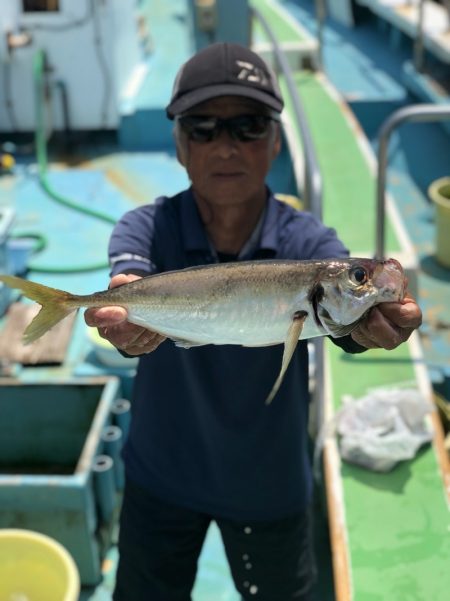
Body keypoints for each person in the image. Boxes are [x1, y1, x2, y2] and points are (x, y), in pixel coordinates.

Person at [85, 42, 422, 601]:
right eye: (202, 127)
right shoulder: (144, 229)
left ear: (276, 140)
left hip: (269, 483)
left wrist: (364, 327)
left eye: (247, 125)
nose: (225, 147)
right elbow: (129, 287)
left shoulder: (309, 245)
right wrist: (126, 324)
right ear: (177, 142)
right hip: (162, 472)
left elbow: (347, 325)